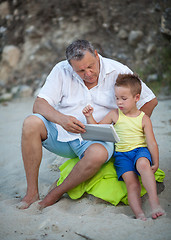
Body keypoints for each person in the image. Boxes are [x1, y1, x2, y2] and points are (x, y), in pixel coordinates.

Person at [19, 39, 158, 210]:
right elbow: (39, 105)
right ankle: (32, 193)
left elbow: (149, 101)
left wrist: (128, 128)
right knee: (30, 123)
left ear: (97, 55)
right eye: (81, 70)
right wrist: (61, 119)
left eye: (91, 66)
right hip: (63, 136)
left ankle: (55, 194)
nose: (88, 73)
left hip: (98, 139)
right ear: (71, 66)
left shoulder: (117, 70)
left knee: (98, 154)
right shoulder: (61, 70)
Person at [82, 73, 165, 220]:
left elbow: (151, 142)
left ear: (136, 98)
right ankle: (139, 213)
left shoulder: (143, 118)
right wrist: (89, 117)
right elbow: (99, 128)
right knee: (131, 184)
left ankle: (155, 205)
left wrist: (156, 162)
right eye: (117, 98)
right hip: (122, 155)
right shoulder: (115, 114)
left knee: (144, 165)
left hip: (140, 151)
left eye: (124, 98)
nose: (119, 102)